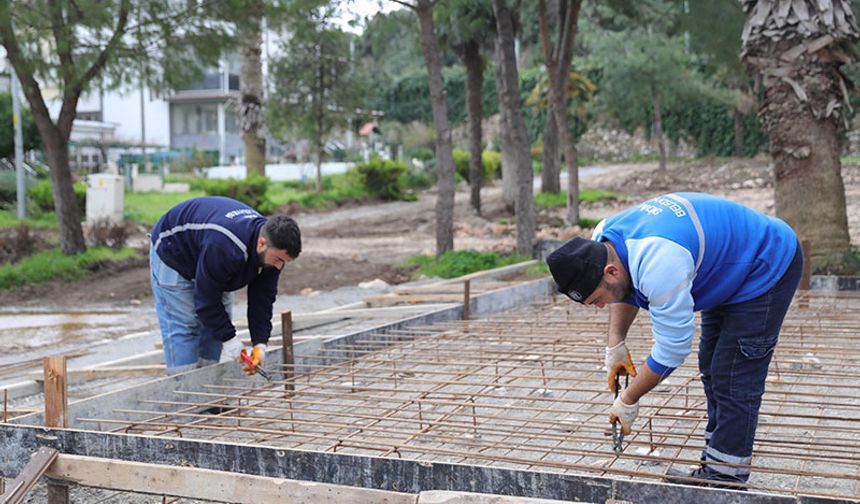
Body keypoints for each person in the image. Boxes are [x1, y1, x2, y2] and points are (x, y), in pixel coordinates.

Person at [546, 192, 802, 488]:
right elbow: (624, 289)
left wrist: (628, 399)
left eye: (597, 300)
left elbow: (672, 350)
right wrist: (616, 343)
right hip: (726, 263)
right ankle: (717, 460)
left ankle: (726, 477)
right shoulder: (603, 239)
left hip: (765, 263)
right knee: (712, 366)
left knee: (733, 376)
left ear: (610, 271)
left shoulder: (660, 263)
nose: (602, 306)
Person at [149, 196, 301, 376]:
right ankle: (182, 388)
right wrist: (230, 341)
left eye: (285, 261)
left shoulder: (273, 250)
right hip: (174, 251)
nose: (279, 266)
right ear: (261, 243)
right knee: (186, 327)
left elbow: (262, 299)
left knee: (214, 328)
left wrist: (260, 343)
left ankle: (206, 387)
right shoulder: (225, 246)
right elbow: (206, 301)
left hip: (208, 255)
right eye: (278, 259)